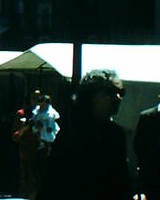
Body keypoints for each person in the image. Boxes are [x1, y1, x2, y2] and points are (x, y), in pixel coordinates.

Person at [39, 69, 130, 200]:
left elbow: (121, 183)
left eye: (121, 92)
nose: (118, 98)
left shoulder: (116, 134)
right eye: (110, 93)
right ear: (92, 96)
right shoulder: (71, 134)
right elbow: (55, 183)